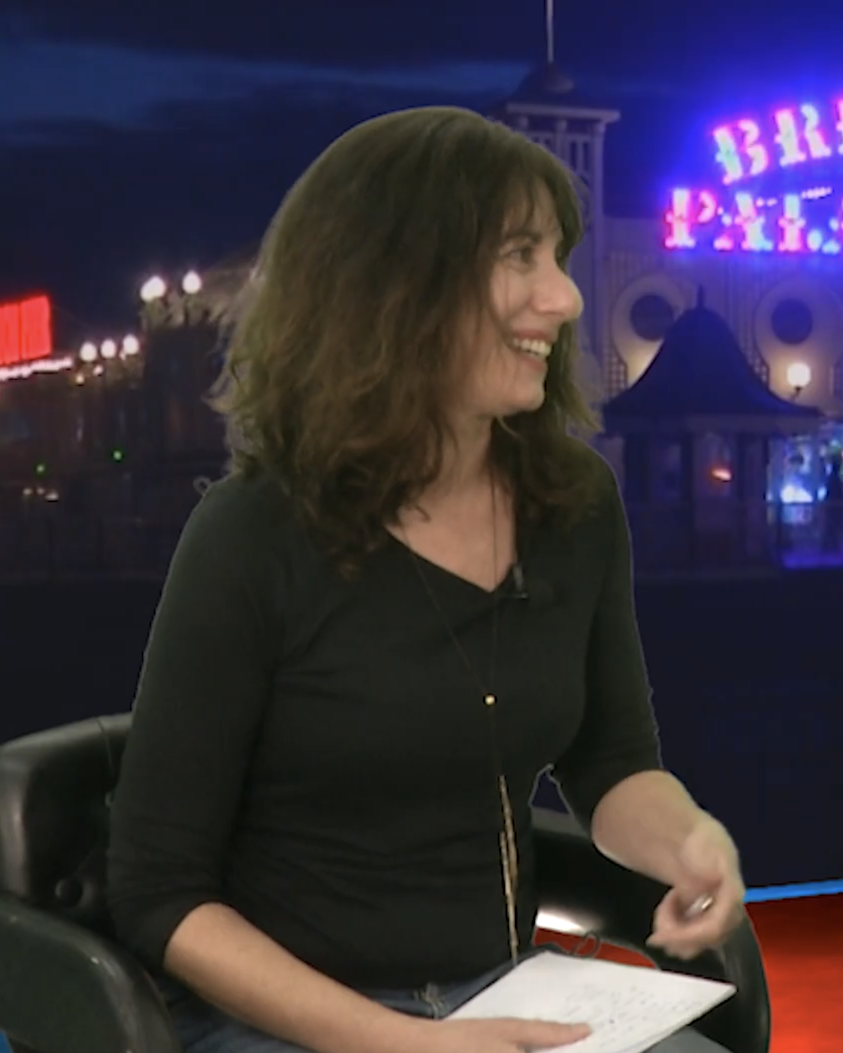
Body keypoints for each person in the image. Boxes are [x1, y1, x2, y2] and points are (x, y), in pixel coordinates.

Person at [105, 106, 747, 1053]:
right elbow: (158, 894)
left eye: (559, 257)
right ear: (396, 286)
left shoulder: (575, 506)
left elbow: (611, 763)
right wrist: (398, 1042)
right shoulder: (250, 536)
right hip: (284, 1021)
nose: (565, 298)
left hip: (494, 994)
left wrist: (690, 838)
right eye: (520, 256)